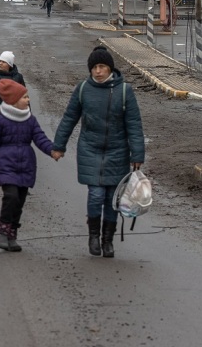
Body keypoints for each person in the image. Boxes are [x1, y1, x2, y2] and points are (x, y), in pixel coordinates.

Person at [52, 46, 145, 258]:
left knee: (112, 199)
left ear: (110, 68)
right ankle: (93, 236)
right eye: (94, 67)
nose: (98, 71)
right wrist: (59, 145)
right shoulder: (83, 89)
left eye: (102, 66)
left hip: (118, 151)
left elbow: (134, 124)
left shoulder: (124, 91)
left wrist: (137, 155)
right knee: (95, 195)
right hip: (90, 148)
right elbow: (69, 118)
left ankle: (107, 240)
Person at [0, 79, 62, 251]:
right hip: (6, 165)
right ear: (12, 100)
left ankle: (12, 236)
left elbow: (40, 138)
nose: (28, 100)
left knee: (19, 201)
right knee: (11, 196)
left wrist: (52, 151)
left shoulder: (30, 120)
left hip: (26, 166)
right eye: (25, 97)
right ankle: (1, 231)